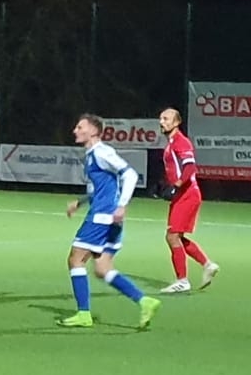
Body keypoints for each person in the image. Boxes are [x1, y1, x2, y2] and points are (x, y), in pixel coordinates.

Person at [61, 113, 161, 331]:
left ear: (93, 131)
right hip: (109, 218)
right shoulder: (92, 155)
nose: (75, 131)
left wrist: (122, 205)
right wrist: (80, 202)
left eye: (80, 127)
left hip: (102, 217)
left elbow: (130, 174)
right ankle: (144, 301)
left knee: (75, 260)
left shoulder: (102, 152)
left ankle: (84, 314)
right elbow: (101, 188)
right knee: (102, 268)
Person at [157, 107, 219, 293]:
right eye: (161, 118)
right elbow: (175, 169)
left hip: (187, 194)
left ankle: (182, 281)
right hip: (182, 194)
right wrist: (165, 184)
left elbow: (190, 167)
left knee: (172, 236)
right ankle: (207, 265)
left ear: (177, 122)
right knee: (176, 237)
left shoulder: (181, 141)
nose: (162, 122)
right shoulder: (171, 143)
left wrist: (176, 185)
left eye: (166, 119)